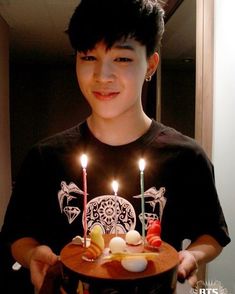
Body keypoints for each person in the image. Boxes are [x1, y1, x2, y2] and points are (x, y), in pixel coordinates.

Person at [1, 0, 230, 293]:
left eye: (121, 59)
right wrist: (33, 254)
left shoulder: (187, 157)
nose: (102, 76)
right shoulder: (44, 158)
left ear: (150, 64)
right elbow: (19, 235)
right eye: (88, 57)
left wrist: (194, 255)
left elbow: (211, 233)